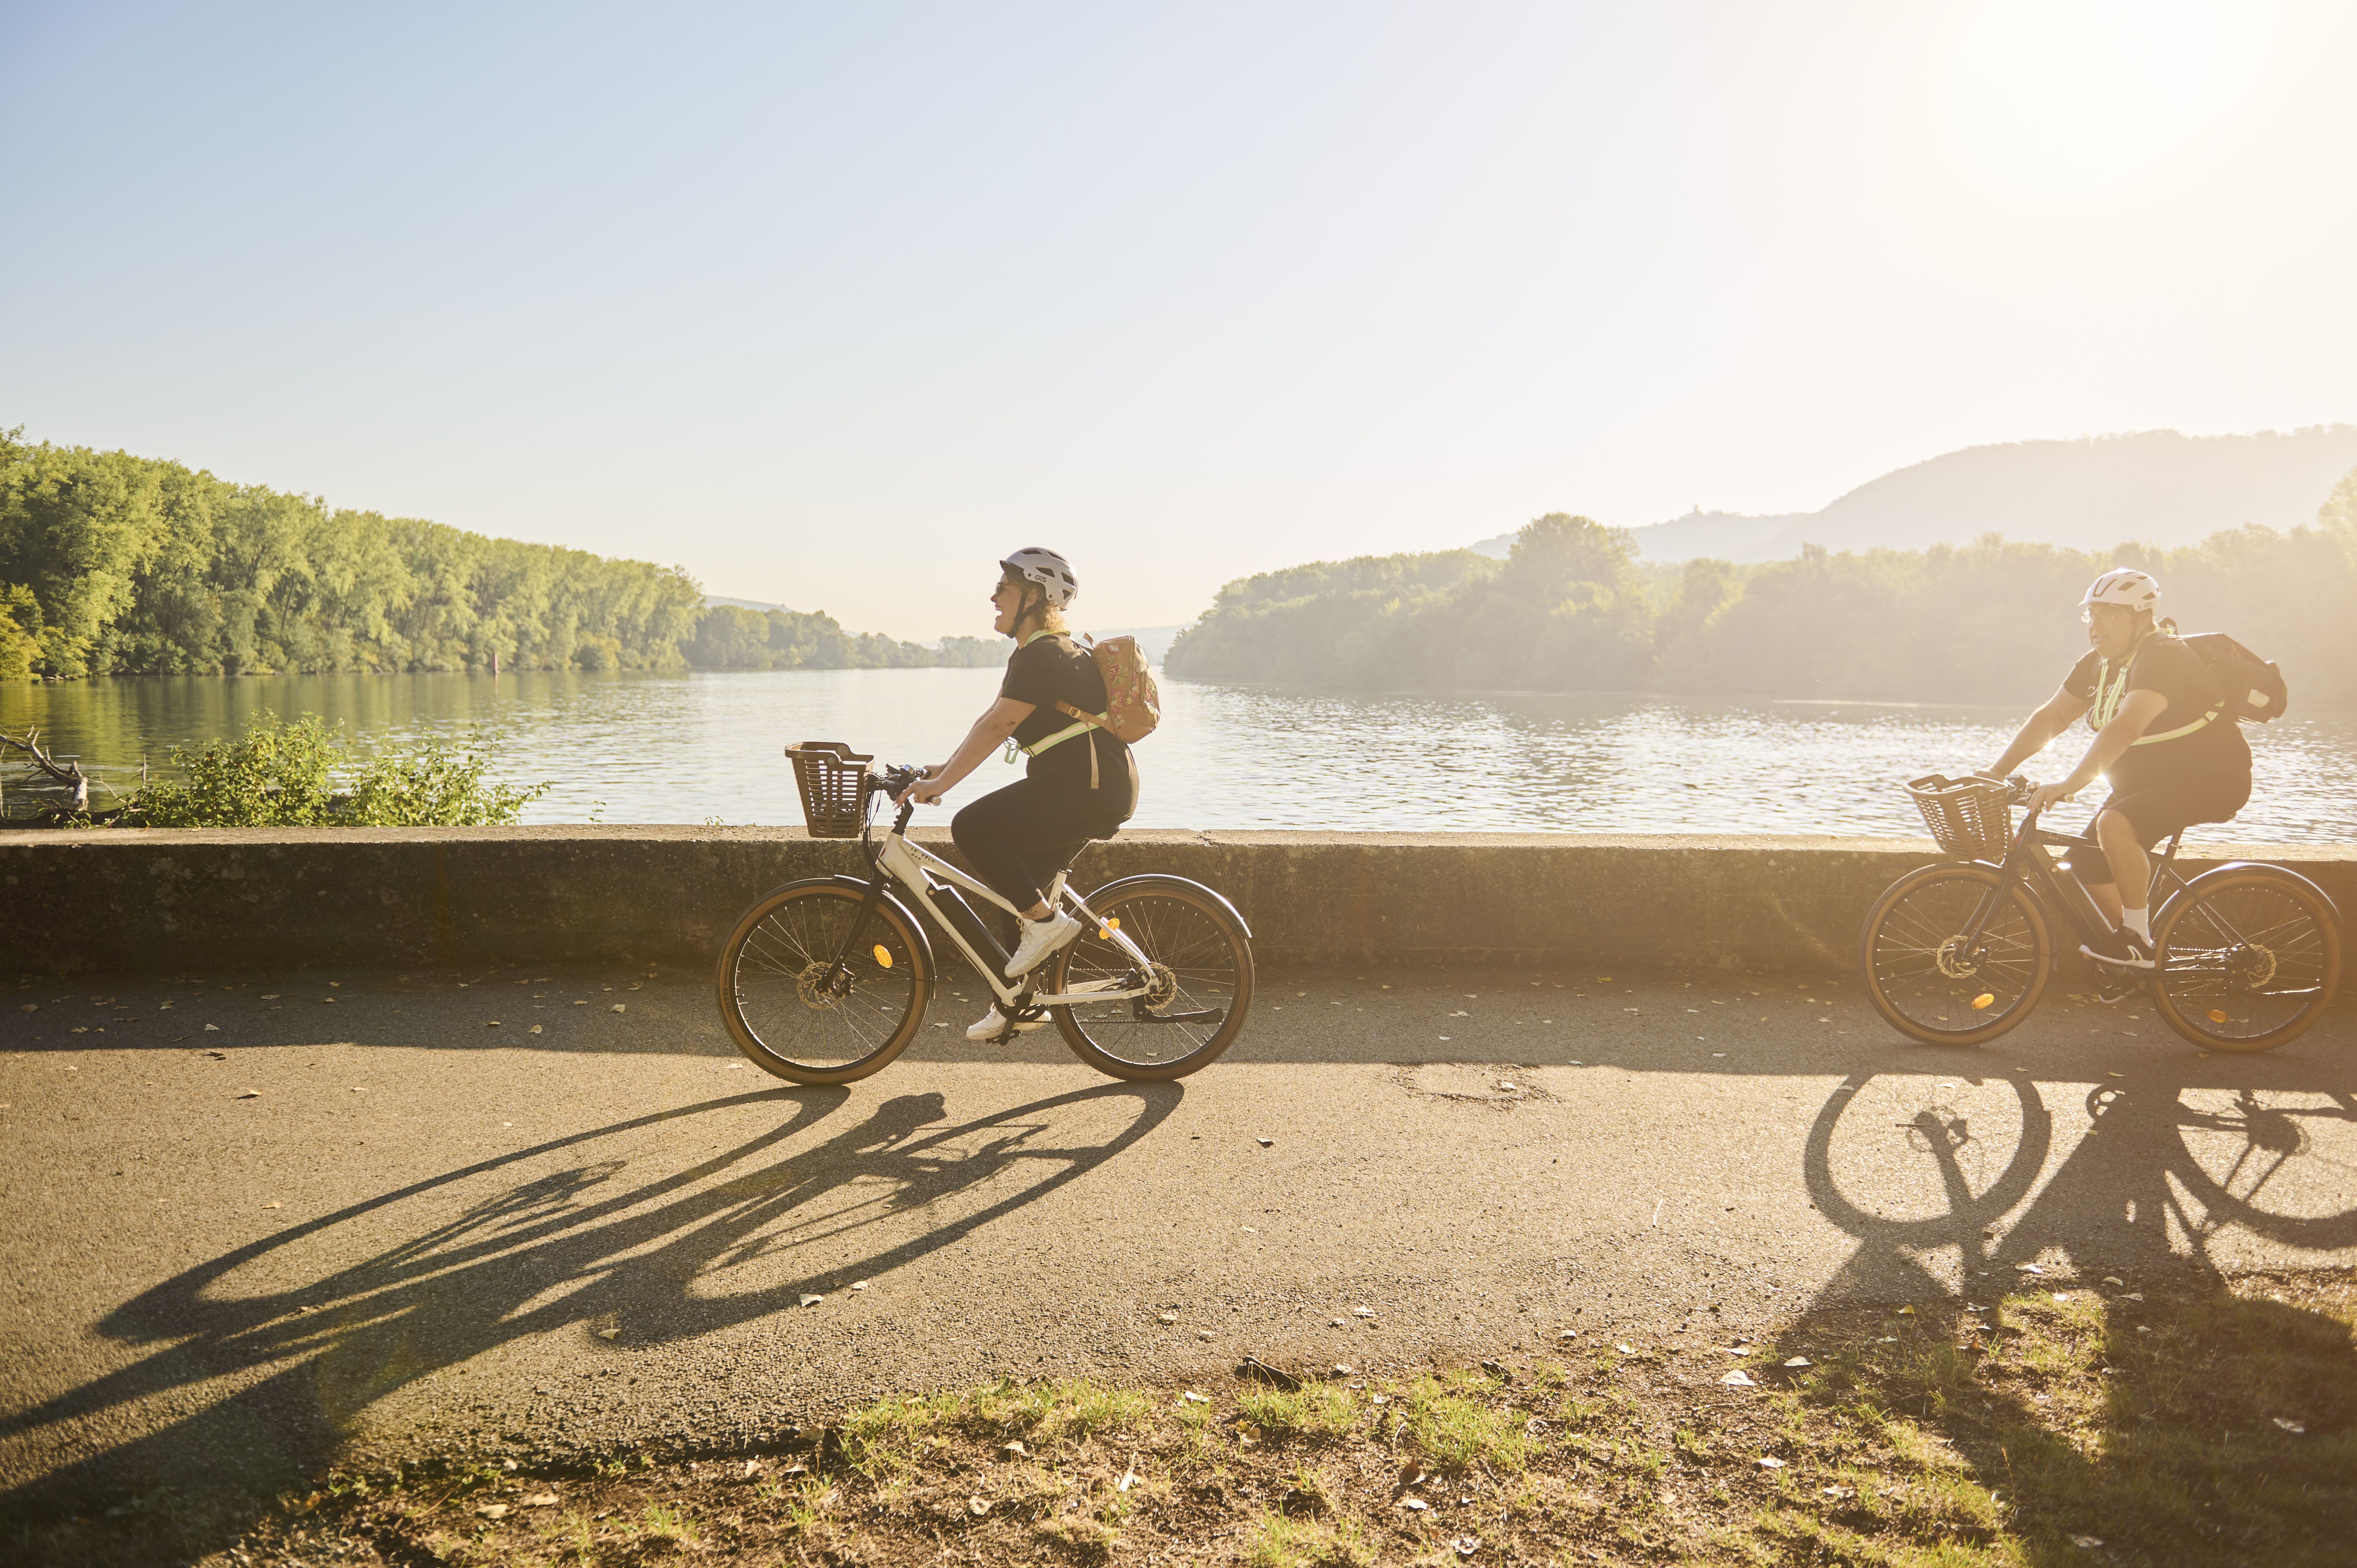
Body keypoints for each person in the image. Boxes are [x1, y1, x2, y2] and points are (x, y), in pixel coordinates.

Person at [894, 548, 1140, 1038]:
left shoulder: (1043, 655)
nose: (993, 597)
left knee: (972, 827)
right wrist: (944, 767)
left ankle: (1047, 927)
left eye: (1002, 588)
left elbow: (1000, 725)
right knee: (1018, 895)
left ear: (1033, 596)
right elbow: (992, 719)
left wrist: (942, 786)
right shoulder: (1043, 653)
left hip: (1086, 789)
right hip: (1090, 786)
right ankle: (1017, 1004)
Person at [1982, 567, 2251, 970]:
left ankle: (2137, 941)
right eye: (2092, 613)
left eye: (2111, 613)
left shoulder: (2164, 656)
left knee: (2115, 823)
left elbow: (2127, 727)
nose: (2097, 624)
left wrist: (2070, 784)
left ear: (2143, 618)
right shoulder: (2098, 665)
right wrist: (1996, 771)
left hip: (2211, 780)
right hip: (2147, 783)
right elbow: (2054, 716)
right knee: (2085, 865)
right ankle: (2135, 958)